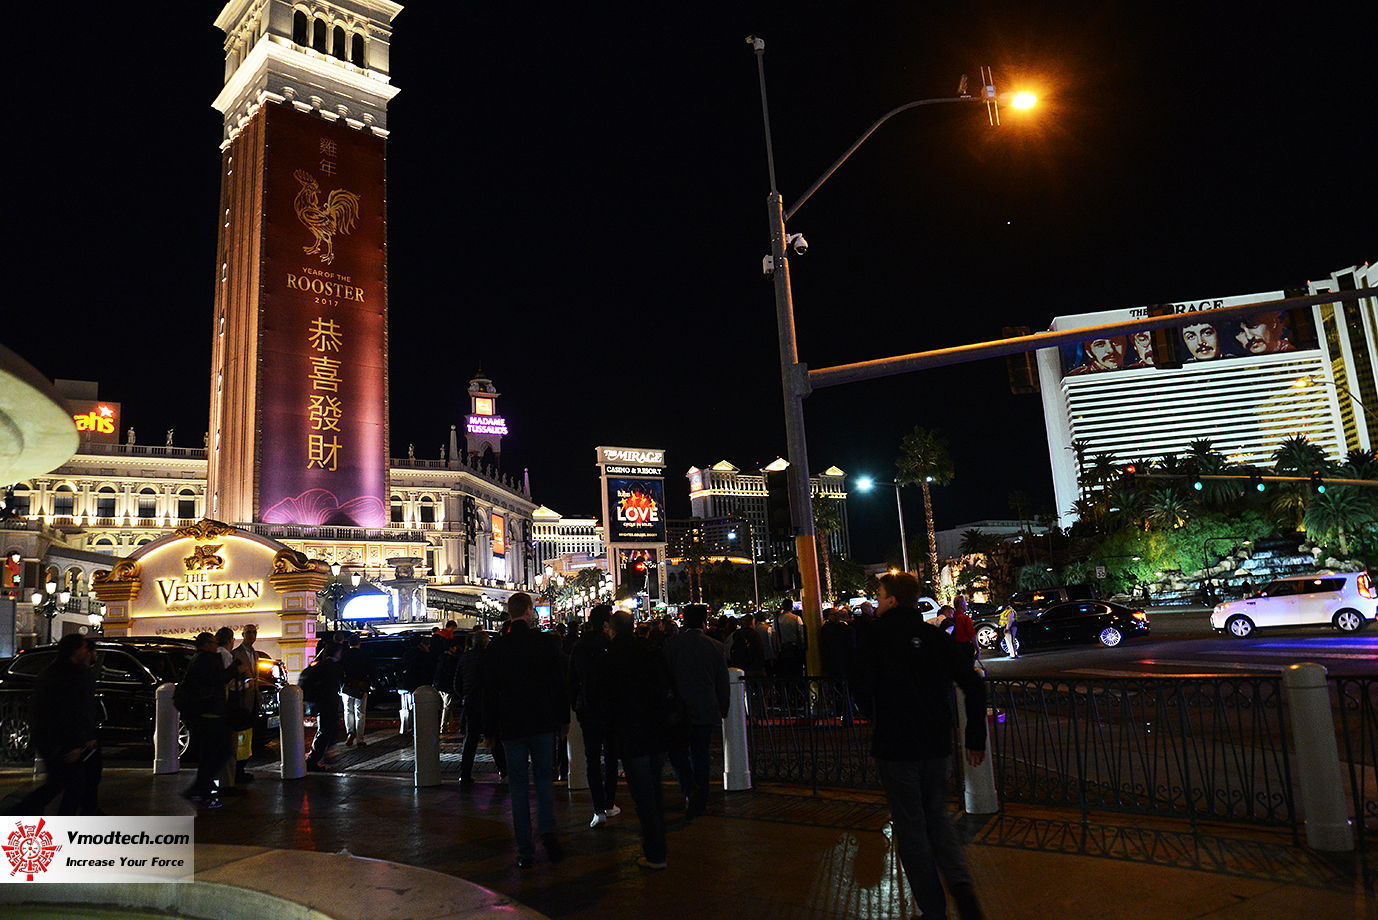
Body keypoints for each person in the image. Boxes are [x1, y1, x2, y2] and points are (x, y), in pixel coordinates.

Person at [852, 572, 989, 920]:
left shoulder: (875, 637)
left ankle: (933, 908)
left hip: (896, 746)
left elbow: (860, 687)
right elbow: (973, 685)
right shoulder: (934, 638)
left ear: (893, 600)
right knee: (937, 818)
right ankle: (961, 887)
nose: (878, 602)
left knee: (910, 826)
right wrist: (974, 736)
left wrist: (876, 716)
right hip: (935, 743)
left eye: (881, 596)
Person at [483, 593, 569, 869]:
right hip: (542, 723)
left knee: (518, 788)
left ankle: (525, 850)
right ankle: (548, 833)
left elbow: (490, 693)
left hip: (511, 725)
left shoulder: (497, 647)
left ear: (509, 613)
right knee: (544, 782)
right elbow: (558, 683)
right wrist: (563, 719)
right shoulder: (544, 642)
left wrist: (489, 730)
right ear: (529, 612)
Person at [597, 609, 670, 869]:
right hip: (655, 731)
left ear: (611, 629)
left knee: (643, 796)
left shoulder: (609, 658)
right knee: (655, 789)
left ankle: (655, 852)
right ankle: (658, 846)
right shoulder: (649, 653)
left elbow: (605, 701)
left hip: (630, 734)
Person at [16, 635, 102, 815]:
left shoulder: (52, 672)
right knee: (71, 785)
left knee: (60, 783)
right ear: (76, 651)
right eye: (84, 647)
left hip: (50, 738)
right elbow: (73, 711)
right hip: (61, 740)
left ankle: (21, 811)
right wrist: (78, 743)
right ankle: (22, 812)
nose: (87, 651)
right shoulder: (74, 675)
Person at [662, 603, 729, 819]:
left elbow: (664, 679)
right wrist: (723, 707)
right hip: (705, 707)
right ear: (704, 622)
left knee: (677, 752)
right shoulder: (716, 646)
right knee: (701, 754)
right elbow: (722, 682)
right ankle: (701, 798)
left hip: (679, 710)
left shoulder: (671, 644)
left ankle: (690, 787)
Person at [567, 605, 621, 826]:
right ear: (606, 624)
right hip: (610, 707)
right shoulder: (610, 646)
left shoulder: (580, 646)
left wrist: (576, 706)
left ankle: (598, 809)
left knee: (592, 759)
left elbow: (572, 680)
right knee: (610, 756)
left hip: (587, 708)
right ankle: (609, 803)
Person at [180, 631, 247, 808]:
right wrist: (235, 670)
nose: (216, 645)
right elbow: (215, 680)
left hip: (206, 713)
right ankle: (199, 789)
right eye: (212, 642)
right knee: (224, 751)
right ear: (206, 644)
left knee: (209, 754)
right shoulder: (206, 659)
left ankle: (201, 791)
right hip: (211, 713)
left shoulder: (199, 658)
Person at [456, 628, 506, 785]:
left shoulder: (464, 658)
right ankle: (504, 772)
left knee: (470, 740)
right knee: (494, 737)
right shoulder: (489, 658)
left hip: (470, 702)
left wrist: (465, 695)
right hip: (488, 702)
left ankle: (464, 775)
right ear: (486, 643)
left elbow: (457, 683)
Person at [305, 642, 344, 771]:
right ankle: (313, 760)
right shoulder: (333, 667)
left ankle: (319, 756)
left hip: (321, 703)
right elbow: (334, 687)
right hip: (328, 703)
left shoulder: (319, 665)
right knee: (326, 731)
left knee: (327, 731)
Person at [229, 624, 260, 785]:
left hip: (252, 700)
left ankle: (242, 768)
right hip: (241, 702)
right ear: (243, 634)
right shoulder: (236, 654)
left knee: (248, 738)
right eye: (249, 632)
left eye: (254, 632)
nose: (252, 635)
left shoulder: (254, 653)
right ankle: (238, 770)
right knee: (240, 738)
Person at [341, 633, 372, 747]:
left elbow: (340, 671)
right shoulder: (364, 655)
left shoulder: (344, 655)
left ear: (349, 644)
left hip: (347, 686)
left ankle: (350, 733)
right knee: (360, 713)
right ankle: (360, 739)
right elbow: (370, 670)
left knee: (348, 711)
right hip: (361, 685)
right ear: (359, 643)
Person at [950, 595, 982, 675]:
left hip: (955, 645)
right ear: (962, 605)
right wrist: (977, 649)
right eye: (965, 603)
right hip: (966, 646)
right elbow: (972, 634)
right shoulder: (965, 618)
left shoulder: (952, 617)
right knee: (968, 669)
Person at [774, 600, 806, 678]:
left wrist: (776, 650)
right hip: (795, 650)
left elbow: (774, 636)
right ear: (792, 607)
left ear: (783, 607)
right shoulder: (796, 618)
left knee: (785, 675)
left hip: (783, 650)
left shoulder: (777, 620)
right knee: (797, 674)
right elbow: (801, 634)